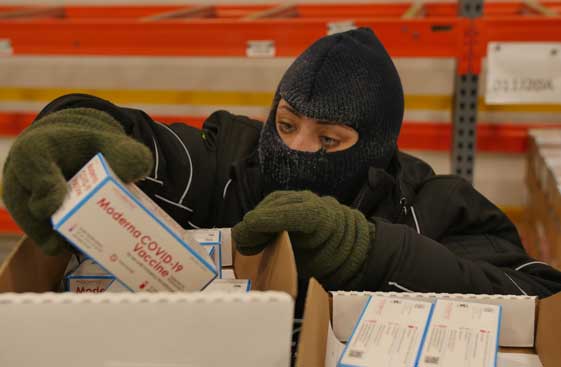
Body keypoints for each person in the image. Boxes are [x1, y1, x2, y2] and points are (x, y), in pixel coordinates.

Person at [3, 28, 561, 299]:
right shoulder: (229, 158)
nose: (295, 149)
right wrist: (73, 125)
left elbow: (539, 294)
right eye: (287, 123)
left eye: (328, 140)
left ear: (375, 146)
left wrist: (370, 249)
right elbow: (150, 144)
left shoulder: (431, 203)